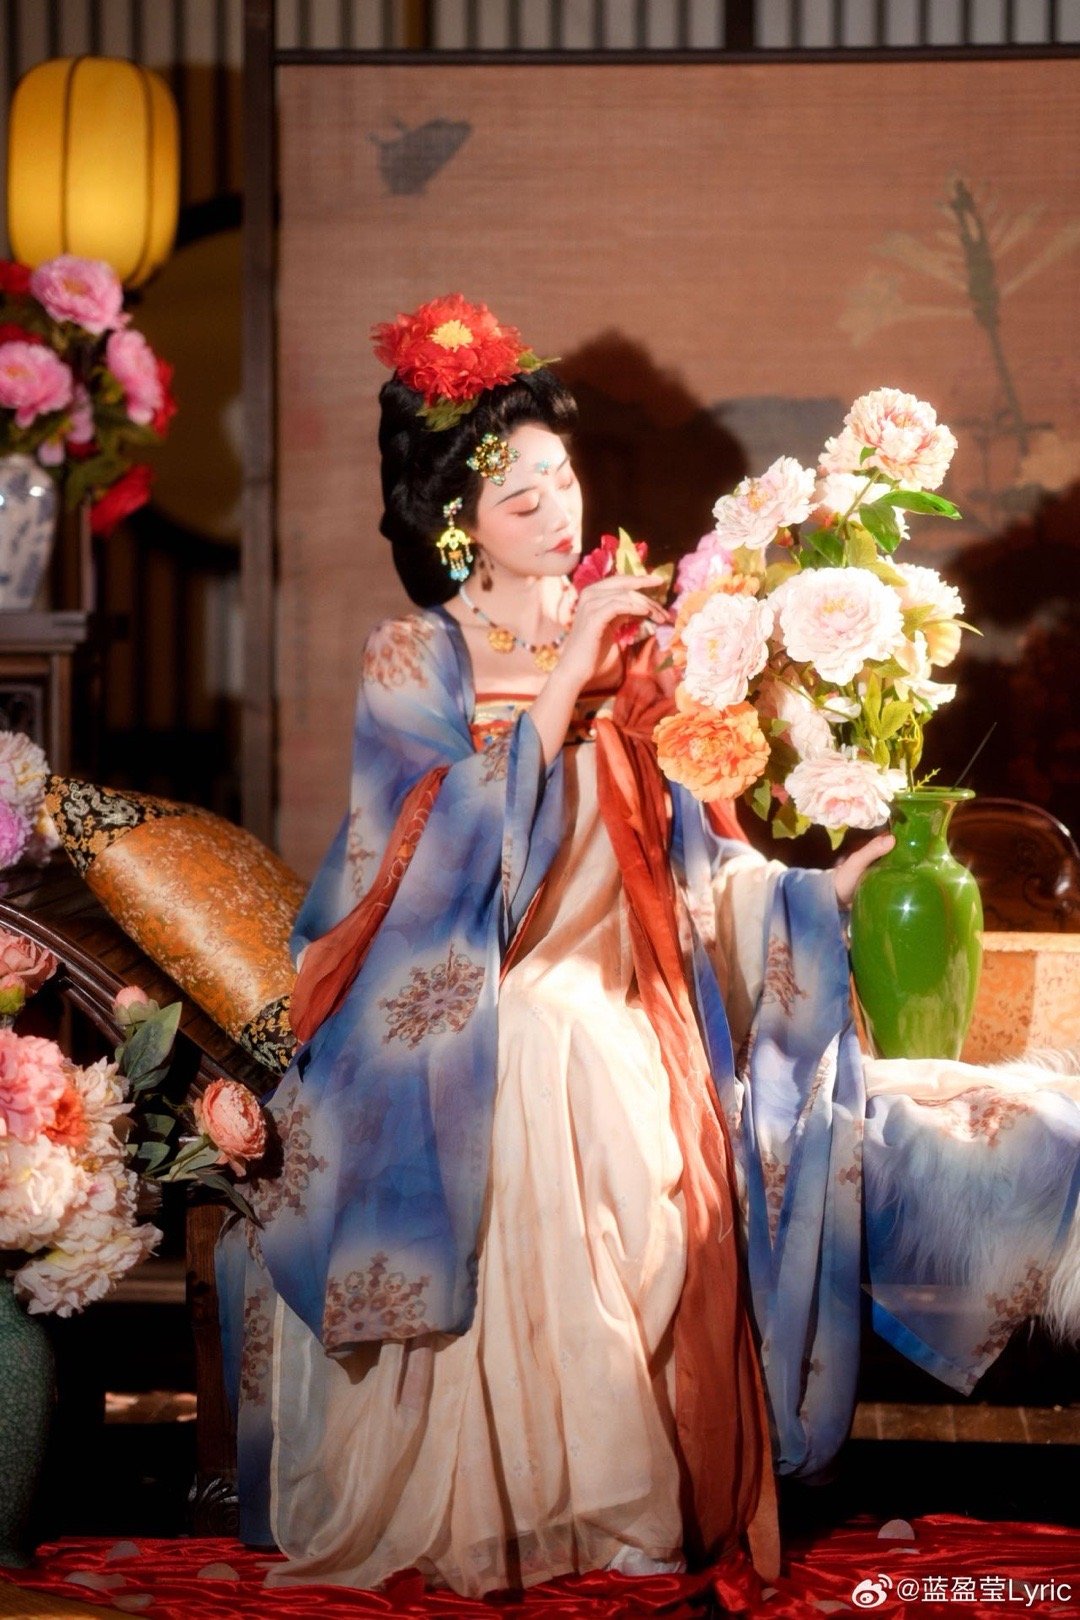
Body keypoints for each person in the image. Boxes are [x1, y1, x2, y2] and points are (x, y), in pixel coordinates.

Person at [217, 295, 1080, 1600]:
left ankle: (616, 1486)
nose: (556, 515)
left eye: (563, 481)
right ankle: (548, 1498)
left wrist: (812, 893)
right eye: (519, 499)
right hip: (458, 998)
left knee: (592, 1045)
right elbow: (417, 869)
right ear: (457, 524)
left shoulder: (637, 645)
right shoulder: (414, 658)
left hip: (632, 988)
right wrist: (564, 676)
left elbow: (697, 867)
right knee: (550, 1041)